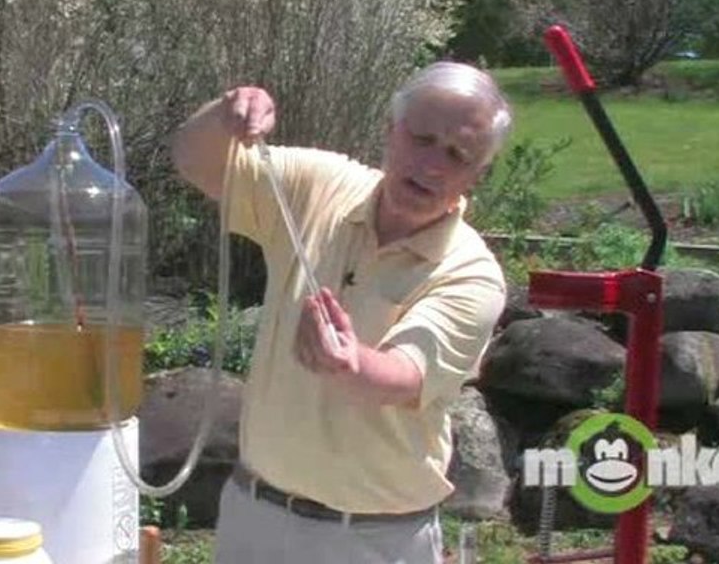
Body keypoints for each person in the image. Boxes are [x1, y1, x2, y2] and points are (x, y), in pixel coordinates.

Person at [170, 61, 513, 564]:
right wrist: (225, 115)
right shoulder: (320, 184)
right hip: (254, 514)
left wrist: (350, 364)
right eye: (422, 138)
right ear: (391, 130)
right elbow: (194, 161)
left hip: (372, 540)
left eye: (457, 154)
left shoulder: (472, 273)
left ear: (477, 175)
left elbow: (402, 378)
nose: (433, 164)